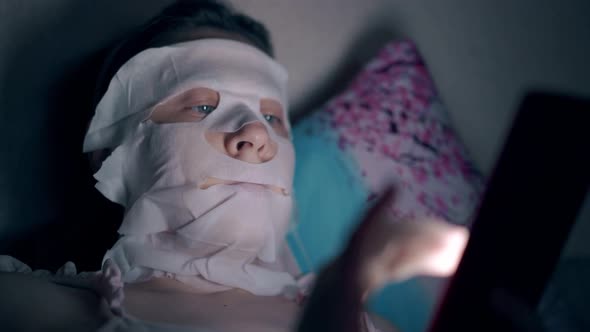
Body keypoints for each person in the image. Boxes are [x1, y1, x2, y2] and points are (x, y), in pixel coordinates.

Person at [0, 1, 469, 331]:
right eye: (201, 107)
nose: (258, 135)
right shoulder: (30, 308)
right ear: (112, 154)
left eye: (271, 117)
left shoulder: (373, 324)